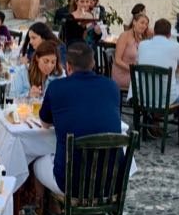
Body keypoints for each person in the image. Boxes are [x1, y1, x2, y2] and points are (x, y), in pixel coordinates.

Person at [34, 42, 121, 194]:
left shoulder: (56, 87)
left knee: (36, 162)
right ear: (93, 64)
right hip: (111, 182)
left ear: (68, 67)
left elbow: (45, 124)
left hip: (70, 184)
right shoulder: (112, 86)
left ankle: (44, 206)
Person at [112, 12, 150, 90]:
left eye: (146, 24)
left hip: (134, 72)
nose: (144, 26)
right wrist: (132, 70)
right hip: (123, 74)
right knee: (147, 82)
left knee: (151, 79)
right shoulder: (124, 36)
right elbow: (117, 60)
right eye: (142, 23)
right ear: (134, 22)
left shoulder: (141, 38)